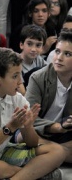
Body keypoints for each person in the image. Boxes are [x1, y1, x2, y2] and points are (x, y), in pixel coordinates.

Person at [0, 47, 65, 179]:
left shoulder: (18, 99)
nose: (21, 81)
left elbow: (32, 143)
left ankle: (17, 176)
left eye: (20, 74)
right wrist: (10, 128)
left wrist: (29, 127)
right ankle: (34, 174)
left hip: (5, 151)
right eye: (15, 76)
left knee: (58, 151)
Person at [25, 31, 72, 163]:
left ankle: (52, 156)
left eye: (67, 54)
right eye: (57, 51)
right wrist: (57, 126)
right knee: (23, 136)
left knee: (59, 150)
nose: (59, 58)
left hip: (63, 135)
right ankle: (57, 155)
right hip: (37, 132)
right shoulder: (38, 78)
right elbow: (28, 118)